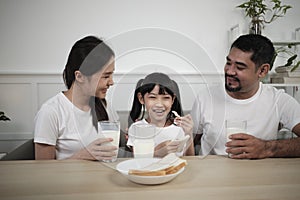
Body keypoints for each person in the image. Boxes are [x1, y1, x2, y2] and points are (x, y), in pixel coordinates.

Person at [191, 34, 300, 159]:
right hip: (213, 174)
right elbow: (188, 143)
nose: (229, 71)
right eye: (228, 63)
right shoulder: (205, 98)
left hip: (258, 176)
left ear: (262, 71)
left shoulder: (279, 101)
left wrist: (267, 148)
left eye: (240, 67)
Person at [34, 35, 118, 160]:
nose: (111, 82)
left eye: (111, 75)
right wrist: (81, 157)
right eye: (105, 76)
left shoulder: (104, 106)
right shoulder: (51, 112)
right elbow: (41, 170)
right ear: (79, 76)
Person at [127, 72, 195, 157]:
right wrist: (157, 152)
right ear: (141, 98)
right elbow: (138, 159)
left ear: (172, 100)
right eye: (152, 97)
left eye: (166, 98)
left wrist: (189, 133)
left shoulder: (180, 128)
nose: (159, 104)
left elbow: (190, 159)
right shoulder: (137, 128)